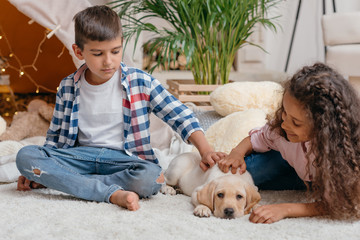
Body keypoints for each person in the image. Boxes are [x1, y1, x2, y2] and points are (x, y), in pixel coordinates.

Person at [16, 5, 224, 211]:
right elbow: (55, 137)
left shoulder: (140, 81)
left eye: (115, 51)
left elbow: (180, 115)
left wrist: (205, 150)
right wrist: (40, 168)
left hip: (125, 160)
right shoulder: (68, 87)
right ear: (78, 51)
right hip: (81, 157)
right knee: (26, 156)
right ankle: (112, 193)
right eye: (98, 54)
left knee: (152, 178)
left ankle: (78, 184)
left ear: (121, 45)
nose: (108, 61)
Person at [218, 62, 360, 223]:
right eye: (284, 112)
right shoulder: (281, 130)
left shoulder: (343, 153)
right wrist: (237, 153)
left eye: (296, 123)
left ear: (324, 127)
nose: (285, 124)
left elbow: (342, 203)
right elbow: (257, 137)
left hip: (318, 179)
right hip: (291, 165)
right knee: (238, 175)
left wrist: (286, 209)